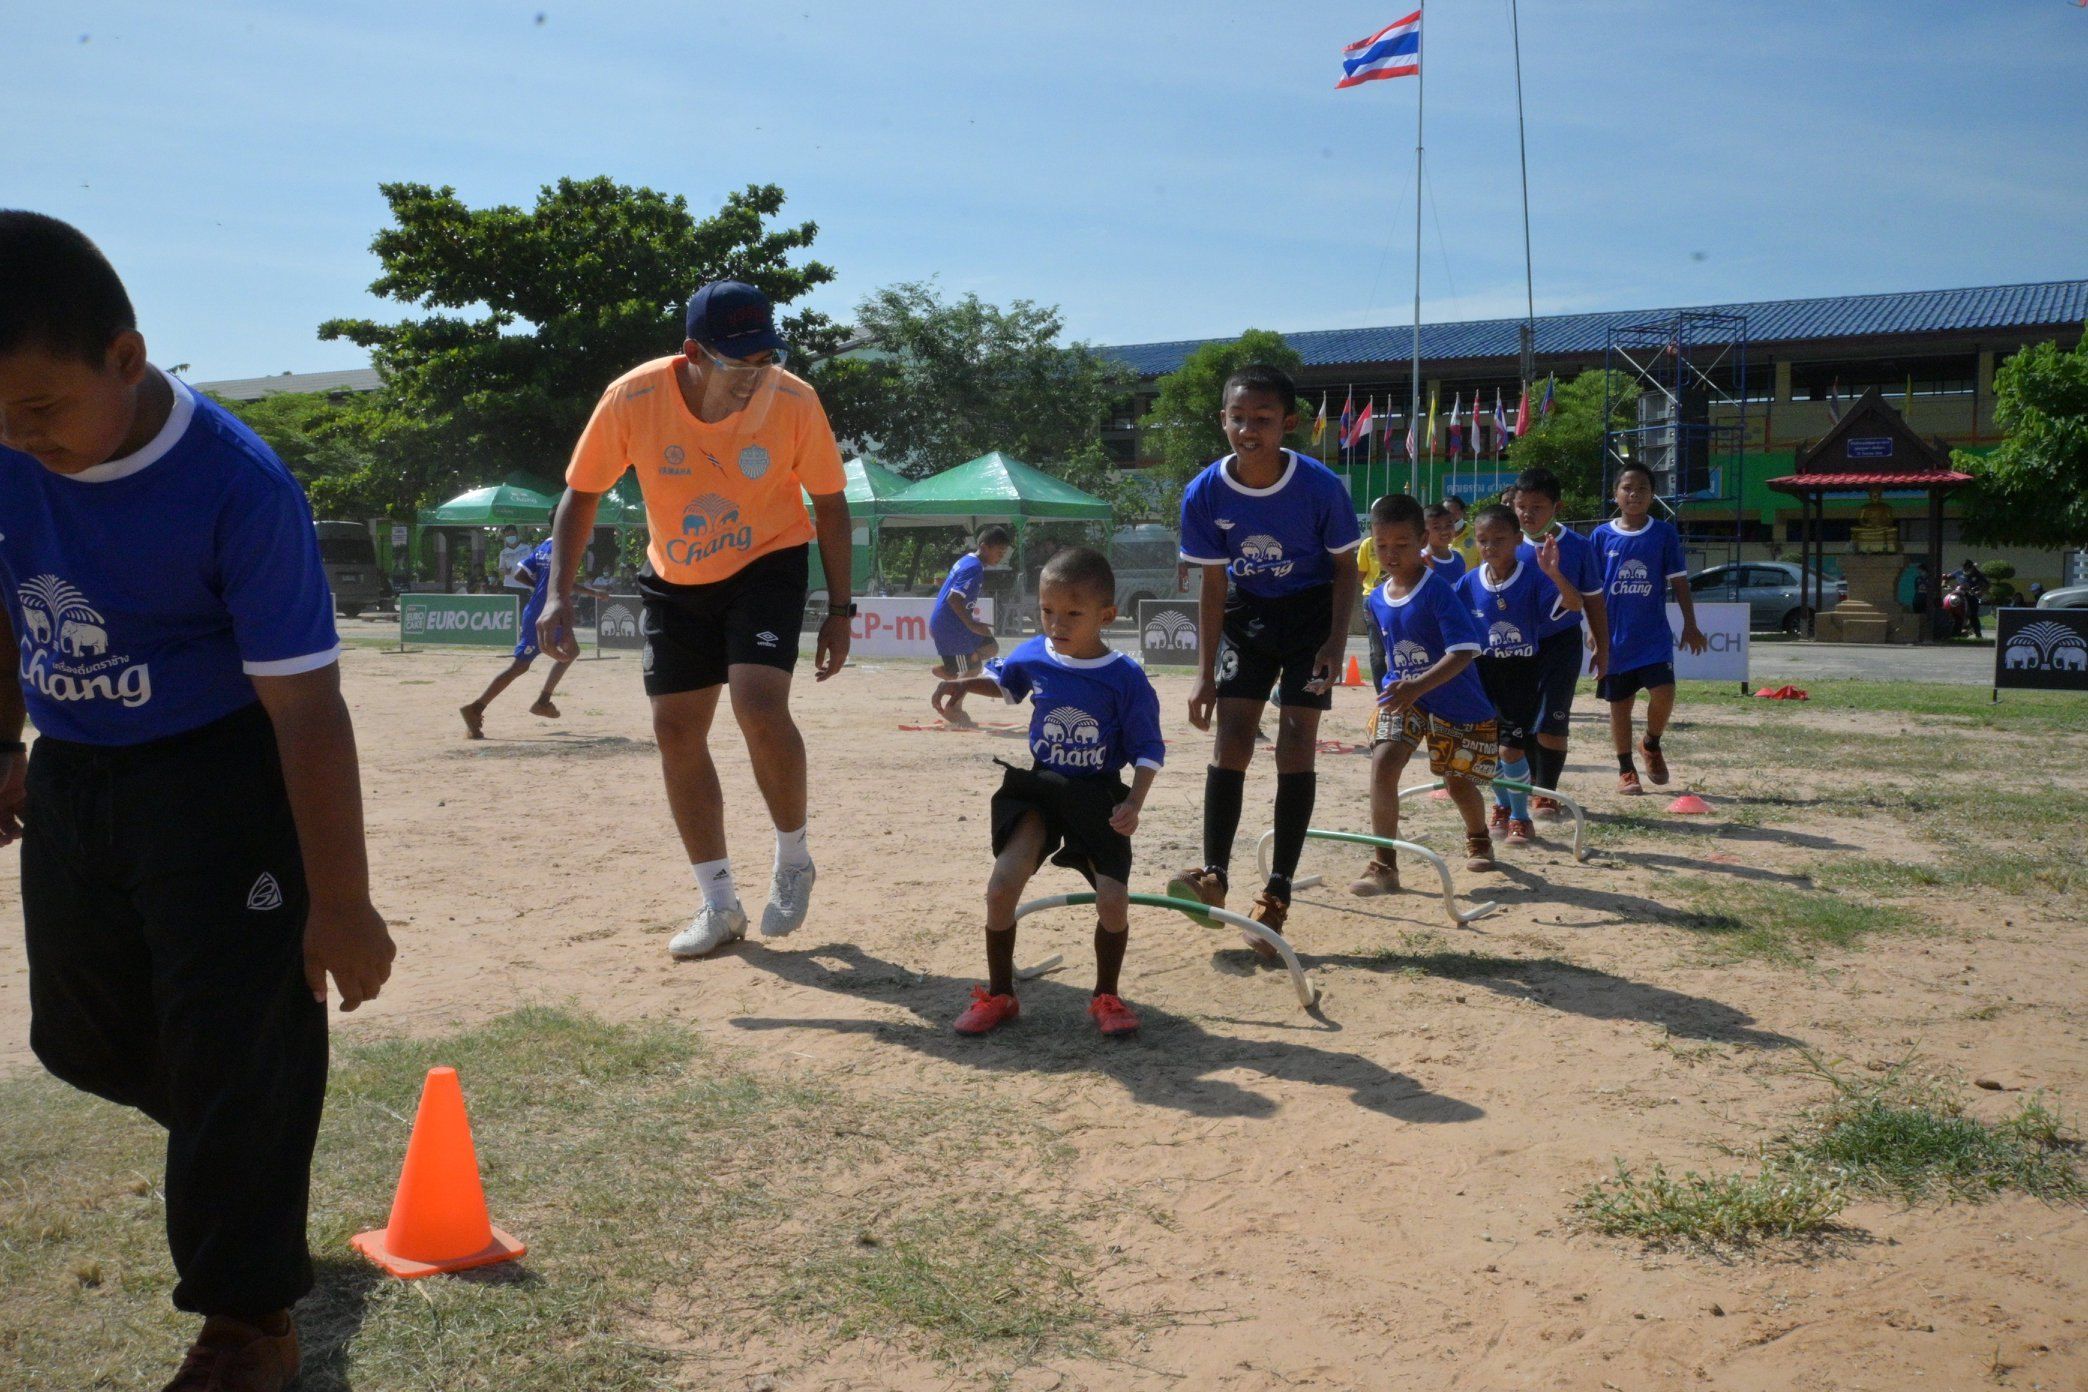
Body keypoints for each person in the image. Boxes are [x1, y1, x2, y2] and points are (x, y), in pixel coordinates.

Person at [0, 211, 395, 1392]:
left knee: (229, 1051)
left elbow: (309, 712)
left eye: (40, 412)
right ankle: (256, 1121)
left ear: (127, 359)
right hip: (77, 768)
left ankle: (246, 1323)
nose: (19, 442)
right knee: (78, 1039)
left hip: (221, 776)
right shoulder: (7, 450)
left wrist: (344, 904)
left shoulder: (236, 487)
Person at [534, 280, 855, 958]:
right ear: (693, 353)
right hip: (676, 576)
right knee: (675, 729)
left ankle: (793, 858)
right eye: (740, 363)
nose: (755, 377)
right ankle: (719, 905)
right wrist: (556, 594)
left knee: (758, 704)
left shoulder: (794, 401)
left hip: (770, 559)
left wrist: (841, 610)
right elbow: (581, 494)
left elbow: (829, 502)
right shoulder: (633, 397)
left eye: (766, 358)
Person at [1168, 365, 1361, 959]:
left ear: (1289, 424)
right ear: (1222, 419)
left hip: (1309, 621)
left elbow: (1346, 569)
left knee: (1296, 745)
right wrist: (1203, 672)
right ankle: (1213, 873)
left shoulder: (1320, 486)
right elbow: (1211, 586)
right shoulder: (1204, 492)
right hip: (1247, 619)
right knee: (1231, 743)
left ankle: (1277, 891)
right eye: (1239, 418)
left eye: (1263, 419)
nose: (1249, 430)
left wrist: (1335, 643)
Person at [933, 548, 1163, 1037]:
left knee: (1113, 900)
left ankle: (1107, 997)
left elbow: (1148, 749)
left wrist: (1134, 803)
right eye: (1047, 610)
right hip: (1038, 789)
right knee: (1000, 889)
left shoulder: (1125, 676)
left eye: (1073, 613)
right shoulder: (1034, 653)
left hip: (1097, 794)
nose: (1057, 623)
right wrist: (963, 685)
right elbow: (1008, 686)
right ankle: (999, 995)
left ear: (1107, 615)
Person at [1350, 494, 1500, 895]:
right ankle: (1384, 863)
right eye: (1382, 546)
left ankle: (1478, 836)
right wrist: (1404, 689)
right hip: (1405, 699)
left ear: (1421, 541)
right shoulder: (1379, 597)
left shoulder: (1438, 591)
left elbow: (1465, 651)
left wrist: (1417, 684)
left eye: (1401, 545)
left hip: (1455, 701)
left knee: (1457, 783)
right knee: (1383, 762)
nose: (1391, 554)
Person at [1458, 503, 1581, 844]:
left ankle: (1521, 818)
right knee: (1490, 747)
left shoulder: (1533, 576)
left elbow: (1574, 604)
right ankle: (1501, 805)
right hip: (1484, 672)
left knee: (1511, 749)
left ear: (1517, 539)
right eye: (1482, 540)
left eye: (1499, 539)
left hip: (1524, 672)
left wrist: (1555, 573)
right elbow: (1444, 614)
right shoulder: (1469, 582)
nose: (1490, 547)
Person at [1591, 463, 1706, 794]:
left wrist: (1690, 624)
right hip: (1614, 639)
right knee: (1620, 705)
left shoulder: (1663, 534)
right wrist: (1594, 631)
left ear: (1652, 495)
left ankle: (1651, 743)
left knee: (1664, 692)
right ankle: (1626, 768)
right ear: (1616, 494)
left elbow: (1679, 583)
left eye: (1641, 488)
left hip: (1653, 636)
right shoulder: (1601, 536)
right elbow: (1592, 590)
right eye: (1627, 488)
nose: (1634, 494)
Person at [1513, 467, 1608, 818]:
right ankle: (1526, 785)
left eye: (1537, 506)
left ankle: (1546, 793)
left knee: (1552, 722)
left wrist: (1603, 646)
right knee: (1518, 723)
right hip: (1514, 647)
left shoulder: (1579, 547)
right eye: (1521, 506)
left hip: (1560, 644)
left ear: (1557, 507)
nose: (1527, 514)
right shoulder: (1505, 542)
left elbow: (1593, 601)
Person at [458, 539, 608, 737]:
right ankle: (477, 708)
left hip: (539, 608)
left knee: (570, 651)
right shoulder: (567, 547)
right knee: (520, 665)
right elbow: (563, 582)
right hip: (547, 611)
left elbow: (520, 574)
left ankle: (542, 702)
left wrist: (541, 588)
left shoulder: (543, 547)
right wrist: (592, 592)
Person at [928, 524, 1013, 728]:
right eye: (998, 551)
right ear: (984, 547)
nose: (1001, 556)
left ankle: (951, 673)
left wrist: (971, 623)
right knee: (974, 667)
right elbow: (954, 598)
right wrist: (971, 624)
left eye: (1004, 551)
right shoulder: (973, 567)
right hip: (951, 627)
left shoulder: (968, 561)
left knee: (991, 648)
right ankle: (953, 704)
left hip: (954, 625)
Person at [1356, 528, 1388, 691]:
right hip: (1372, 599)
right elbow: (1360, 575)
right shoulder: (1367, 545)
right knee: (1377, 651)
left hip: (1397, 597)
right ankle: (1382, 694)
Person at [1423, 502, 1468, 581]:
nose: (1444, 531)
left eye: (1449, 525)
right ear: (1424, 531)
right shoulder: (1421, 560)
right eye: (1436, 527)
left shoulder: (1458, 558)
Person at [1443, 493, 1482, 569]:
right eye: (1445, 513)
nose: (1450, 518)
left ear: (1463, 512)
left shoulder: (1477, 536)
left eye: (1453, 513)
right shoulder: (1438, 538)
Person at [497, 527, 532, 599]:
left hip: (524, 585)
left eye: (512, 534)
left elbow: (532, 564)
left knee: (523, 608)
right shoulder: (503, 552)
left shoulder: (527, 548)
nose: (510, 537)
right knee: (510, 609)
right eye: (507, 536)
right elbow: (501, 569)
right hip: (509, 585)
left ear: (516, 534)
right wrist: (504, 571)